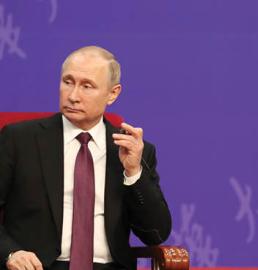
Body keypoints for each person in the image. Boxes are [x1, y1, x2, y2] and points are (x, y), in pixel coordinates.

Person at [0, 46, 171, 270]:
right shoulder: (19, 139)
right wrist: (10, 253)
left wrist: (133, 174)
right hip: (39, 266)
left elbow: (156, 234)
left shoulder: (133, 151)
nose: (73, 96)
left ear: (113, 93)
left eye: (87, 86)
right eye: (68, 82)